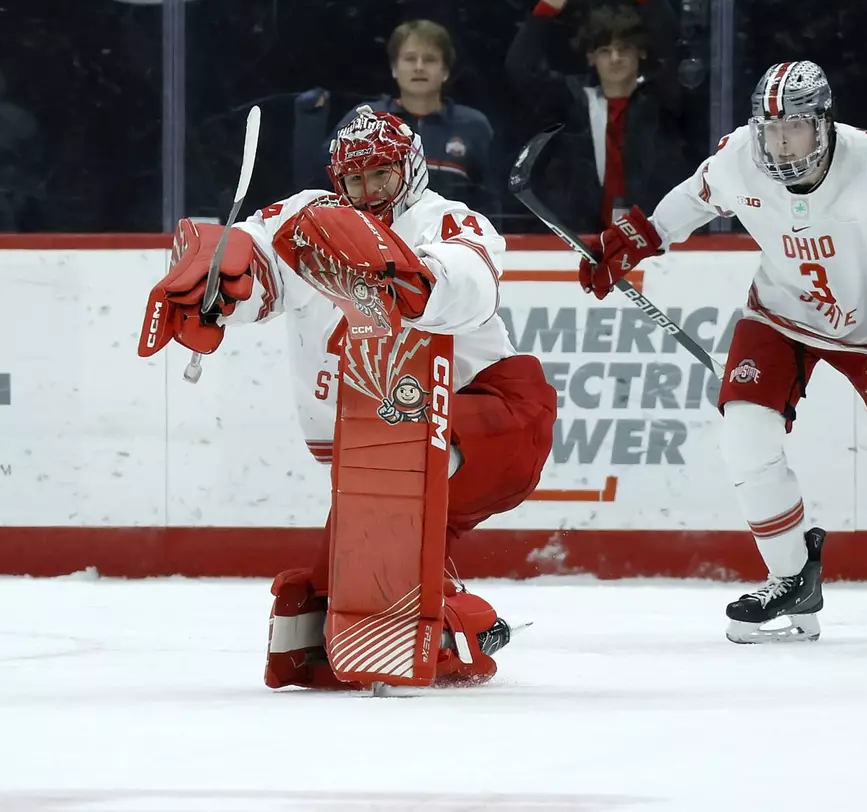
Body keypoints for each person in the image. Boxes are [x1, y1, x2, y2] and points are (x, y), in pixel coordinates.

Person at [579, 60, 867, 644]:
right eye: (770, 129)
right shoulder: (739, 156)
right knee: (743, 432)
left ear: (825, 123)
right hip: (782, 314)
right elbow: (698, 196)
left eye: (795, 128)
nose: (781, 143)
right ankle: (791, 576)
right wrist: (641, 235)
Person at [139, 107, 556, 688]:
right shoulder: (309, 219)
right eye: (355, 179)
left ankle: (427, 620)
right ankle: (373, 622)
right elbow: (261, 257)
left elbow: (473, 280)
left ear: (409, 167)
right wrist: (222, 287)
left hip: (492, 414)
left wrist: (409, 280)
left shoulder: (446, 219)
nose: (368, 190)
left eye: (380, 174)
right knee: (348, 570)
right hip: (374, 435)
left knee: (395, 496)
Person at [504, 0, 691, 232]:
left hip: (653, 241)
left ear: (641, 52)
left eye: (624, 49)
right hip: (578, 240)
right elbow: (520, 68)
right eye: (605, 50)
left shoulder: (660, 101)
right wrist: (551, 1)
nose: (615, 58)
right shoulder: (570, 101)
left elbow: (677, 58)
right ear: (591, 56)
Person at [293, 20, 496, 214]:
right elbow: (316, 185)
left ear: (445, 71)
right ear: (394, 68)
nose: (419, 67)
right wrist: (309, 123)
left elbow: (492, 202)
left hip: (453, 244)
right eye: (409, 58)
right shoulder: (364, 120)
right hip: (375, 243)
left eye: (430, 59)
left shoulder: (473, 126)